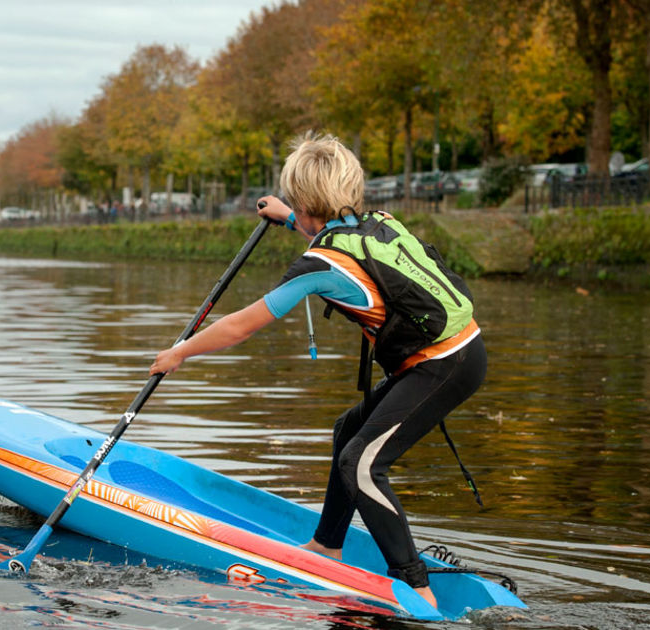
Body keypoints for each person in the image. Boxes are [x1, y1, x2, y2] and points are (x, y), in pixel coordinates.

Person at [149, 132, 486, 608]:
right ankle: (327, 544)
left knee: (363, 463)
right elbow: (330, 233)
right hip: (456, 351)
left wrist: (180, 352)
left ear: (305, 199)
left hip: (443, 365)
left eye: (294, 202)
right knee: (348, 430)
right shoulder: (377, 222)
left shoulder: (318, 265)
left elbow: (242, 325)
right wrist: (287, 218)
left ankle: (416, 588)